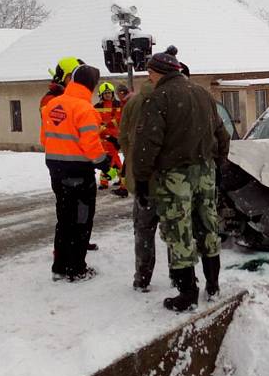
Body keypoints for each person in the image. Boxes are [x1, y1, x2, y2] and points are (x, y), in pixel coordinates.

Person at [132, 46, 230, 312]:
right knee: (207, 224)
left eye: (149, 73)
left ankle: (187, 292)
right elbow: (222, 134)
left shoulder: (159, 97)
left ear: (157, 72)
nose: (149, 78)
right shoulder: (202, 94)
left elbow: (147, 143)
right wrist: (219, 165)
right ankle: (213, 283)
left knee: (179, 230)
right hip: (205, 171)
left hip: (176, 176)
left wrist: (141, 179)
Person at [40, 64, 111, 282]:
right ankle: (76, 267)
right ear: (91, 84)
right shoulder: (84, 108)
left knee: (64, 218)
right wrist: (103, 162)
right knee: (81, 220)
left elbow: (44, 139)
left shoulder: (51, 105)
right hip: (78, 171)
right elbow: (90, 142)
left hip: (55, 168)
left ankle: (60, 265)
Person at [118, 76, 158, 292]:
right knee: (174, 230)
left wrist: (132, 157)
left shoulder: (133, 103)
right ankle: (178, 275)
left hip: (142, 179)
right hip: (169, 179)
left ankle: (142, 276)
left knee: (143, 229)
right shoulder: (168, 99)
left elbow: (123, 136)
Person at [94, 82, 126, 195]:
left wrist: (109, 127)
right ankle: (108, 181)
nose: (107, 95)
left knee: (113, 159)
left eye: (109, 93)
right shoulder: (96, 107)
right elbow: (95, 121)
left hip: (115, 137)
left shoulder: (119, 105)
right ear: (101, 95)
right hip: (103, 138)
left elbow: (120, 119)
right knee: (109, 159)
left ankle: (122, 183)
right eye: (105, 93)